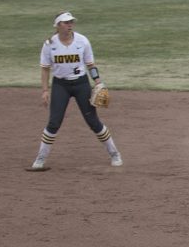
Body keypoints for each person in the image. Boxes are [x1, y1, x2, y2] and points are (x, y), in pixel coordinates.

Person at [30, 11, 122, 170]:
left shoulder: (82, 41)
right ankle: (40, 159)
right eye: (66, 22)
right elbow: (45, 69)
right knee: (54, 122)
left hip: (81, 85)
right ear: (58, 26)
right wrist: (45, 91)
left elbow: (90, 65)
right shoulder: (49, 44)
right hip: (60, 86)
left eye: (71, 22)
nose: (70, 25)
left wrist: (98, 82)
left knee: (93, 121)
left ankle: (114, 153)